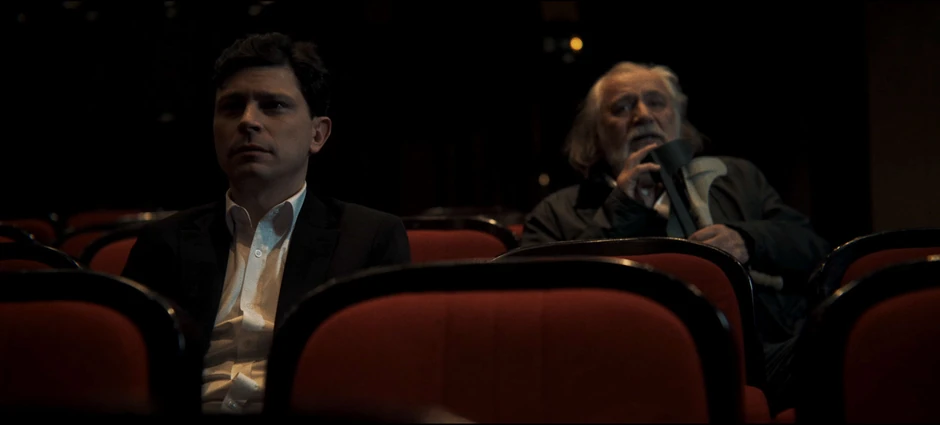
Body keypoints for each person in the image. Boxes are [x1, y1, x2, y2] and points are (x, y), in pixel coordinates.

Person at [122, 32, 411, 414]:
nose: (248, 121)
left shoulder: (368, 238)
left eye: (273, 106)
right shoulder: (163, 242)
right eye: (232, 107)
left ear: (317, 134)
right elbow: (132, 375)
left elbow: (381, 380)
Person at [521, 62, 830, 413]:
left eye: (656, 102)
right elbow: (535, 310)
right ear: (594, 134)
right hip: (627, 365)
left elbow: (814, 250)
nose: (642, 115)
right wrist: (621, 208)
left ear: (679, 120)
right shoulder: (556, 211)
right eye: (622, 107)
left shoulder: (738, 177)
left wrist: (747, 239)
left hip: (761, 354)